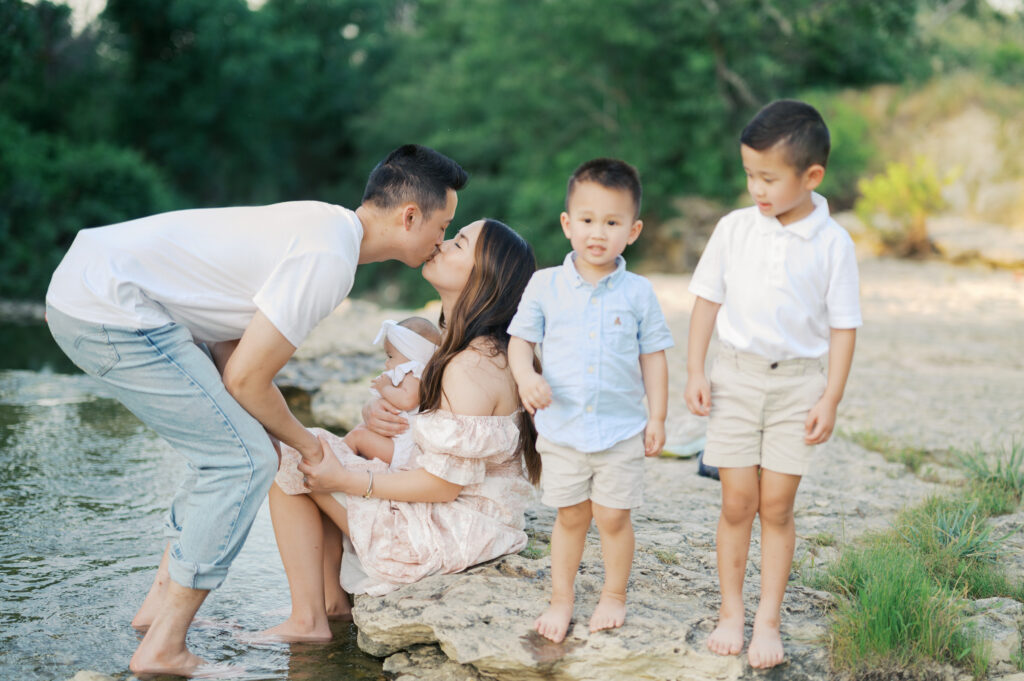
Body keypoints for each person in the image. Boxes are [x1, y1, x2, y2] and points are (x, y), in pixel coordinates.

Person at [44, 144, 468, 677]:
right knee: (243, 463)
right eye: (444, 224)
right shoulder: (328, 258)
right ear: (411, 216)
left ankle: (156, 612)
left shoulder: (325, 226)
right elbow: (245, 379)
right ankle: (165, 648)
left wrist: (273, 429)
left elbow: (234, 352)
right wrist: (308, 444)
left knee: (239, 449)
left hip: (94, 285)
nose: (443, 239)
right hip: (111, 304)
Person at [252, 218, 541, 642]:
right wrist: (375, 413)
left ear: (485, 280)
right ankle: (329, 603)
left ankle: (308, 619)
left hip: (446, 531)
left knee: (294, 455)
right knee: (313, 443)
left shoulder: (470, 366)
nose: (441, 244)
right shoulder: (477, 349)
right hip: (468, 518)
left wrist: (346, 479)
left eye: (459, 243)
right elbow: (427, 427)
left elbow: (442, 487)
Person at [684, 100, 861, 669]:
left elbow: (842, 326)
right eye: (748, 174)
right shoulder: (735, 229)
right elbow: (707, 300)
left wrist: (830, 397)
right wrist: (695, 371)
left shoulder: (834, 244)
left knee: (777, 506)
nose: (755, 188)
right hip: (735, 378)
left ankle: (768, 619)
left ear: (812, 177)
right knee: (737, 502)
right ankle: (731, 612)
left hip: (798, 388)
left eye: (768, 177)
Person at [507, 158, 673, 643]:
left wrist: (657, 416)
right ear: (567, 223)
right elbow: (520, 340)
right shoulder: (545, 285)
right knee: (571, 515)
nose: (597, 232)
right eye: (587, 220)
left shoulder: (639, 293)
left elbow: (654, 358)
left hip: (620, 429)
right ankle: (562, 599)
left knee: (614, 516)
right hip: (562, 429)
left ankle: (614, 595)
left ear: (633, 230)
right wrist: (524, 377)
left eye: (612, 222)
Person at [345, 316, 441, 468]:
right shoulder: (411, 374)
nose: (387, 362)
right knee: (360, 429)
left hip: (404, 450)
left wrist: (385, 388)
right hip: (397, 443)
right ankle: (344, 456)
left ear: (412, 354)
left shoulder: (415, 373)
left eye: (390, 356)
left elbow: (407, 400)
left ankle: (338, 458)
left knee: (358, 436)